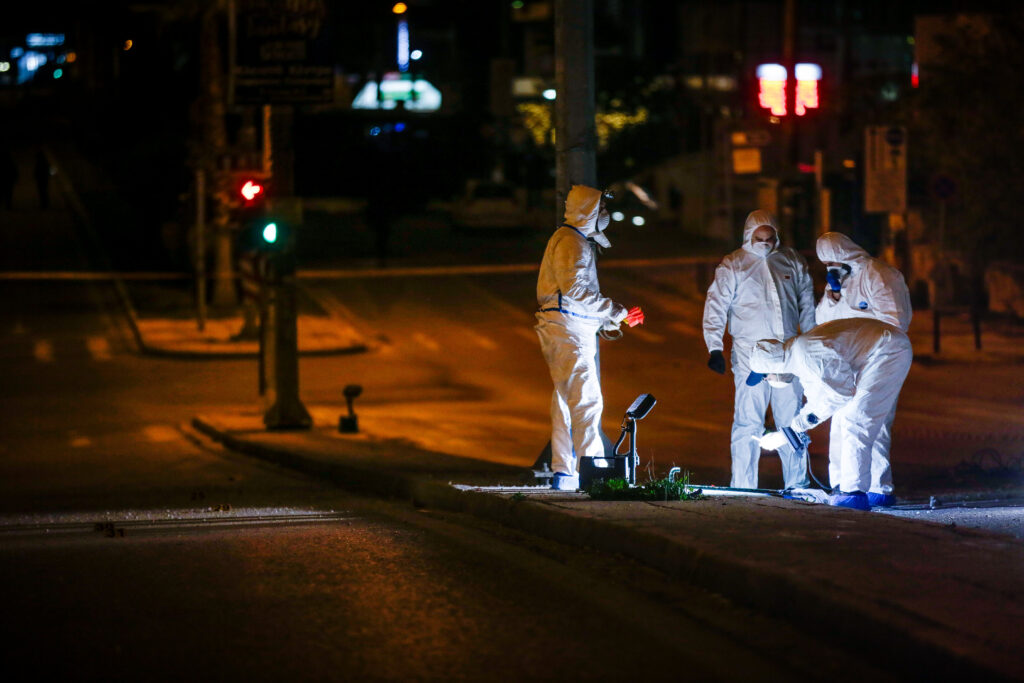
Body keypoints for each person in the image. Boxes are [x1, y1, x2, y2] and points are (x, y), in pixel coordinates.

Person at [535, 185, 644, 491]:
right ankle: (594, 477)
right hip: (567, 329)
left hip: (566, 327)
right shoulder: (573, 242)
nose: (605, 217)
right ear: (589, 212)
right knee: (586, 401)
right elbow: (576, 292)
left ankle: (565, 472)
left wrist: (606, 320)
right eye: (601, 210)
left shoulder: (571, 239)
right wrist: (617, 312)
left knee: (566, 402)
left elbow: (574, 295)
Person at [748, 317, 913, 511]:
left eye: (765, 377)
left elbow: (840, 393)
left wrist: (795, 428)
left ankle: (852, 493)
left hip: (888, 351)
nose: (768, 381)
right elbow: (818, 399)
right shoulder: (799, 354)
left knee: (857, 419)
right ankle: (875, 489)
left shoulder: (806, 354)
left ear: (773, 368)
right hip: (880, 349)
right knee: (857, 417)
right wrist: (789, 432)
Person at [703, 209, 816, 490]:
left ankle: (798, 485)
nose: (764, 242)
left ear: (777, 235)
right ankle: (743, 486)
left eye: (769, 236)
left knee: (792, 421)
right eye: (759, 237)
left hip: (789, 353)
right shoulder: (734, 265)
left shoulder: (791, 261)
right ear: (748, 235)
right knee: (748, 421)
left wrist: (813, 341)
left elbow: (806, 302)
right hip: (749, 354)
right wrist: (714, 346)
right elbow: (716, 305)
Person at [815, 232, 912, 506]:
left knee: (864, 420)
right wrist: (833, 298)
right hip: (849, 362)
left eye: (835, 258)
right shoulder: (840, 284)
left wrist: (868, 343)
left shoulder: (878, 274)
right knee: (845, 420)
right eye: (826, 263)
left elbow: (896, 320)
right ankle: (864, 486)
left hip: (881, 358)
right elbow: (822, 322)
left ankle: (854, 490)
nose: (831, 265)